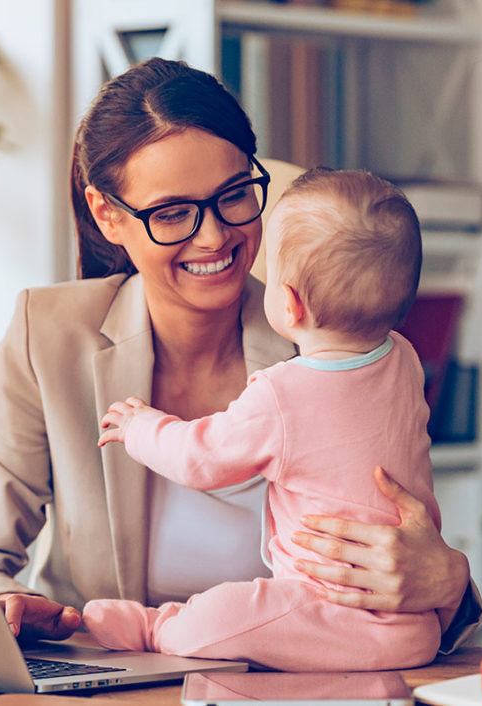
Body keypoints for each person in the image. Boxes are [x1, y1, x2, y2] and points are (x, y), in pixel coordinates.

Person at [0, 56, 481, 651]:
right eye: (173, 213)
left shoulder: (332, 337)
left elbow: (403, 534)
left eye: (233, 195)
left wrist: (449, 581)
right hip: (110, 678)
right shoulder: (46, 334)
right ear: (108, 215)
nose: (214, 236)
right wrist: (7, 605)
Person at [83, 168, 440, 671]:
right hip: (413, 627)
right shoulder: (404, 360)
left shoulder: (283, 393)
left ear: (289, 304)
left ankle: (156, 627)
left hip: (324, 606)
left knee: (227, 611)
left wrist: (139, 427)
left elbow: (200, 458)